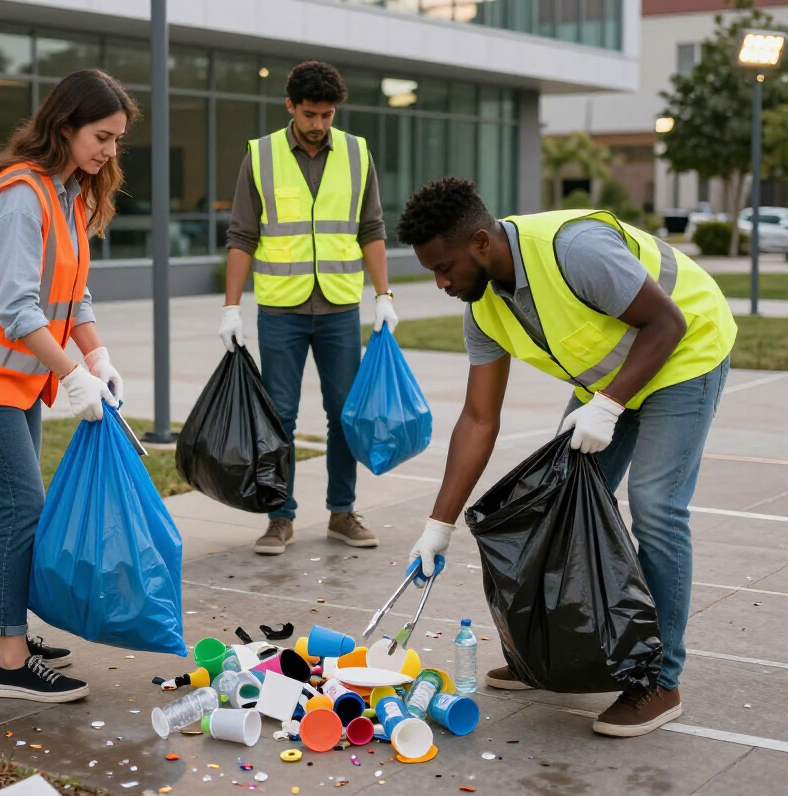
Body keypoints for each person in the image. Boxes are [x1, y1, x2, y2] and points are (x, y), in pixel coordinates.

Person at [397, 178, 735, 738]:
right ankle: (554, 656)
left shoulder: (573, 250)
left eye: (444, 267)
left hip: (684, 353)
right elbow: (479, 419)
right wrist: (438, 525)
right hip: (608, 378)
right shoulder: (482, 309)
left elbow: (668, 323)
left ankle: (658, 680)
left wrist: (607, 406)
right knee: (551, 504)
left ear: (481, 243)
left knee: (655, 507)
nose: (440, 283)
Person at [0, 69, 139, 703]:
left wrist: (97, 357)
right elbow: (18, 309)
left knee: (1, 506)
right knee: (22, 506)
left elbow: (72, 290)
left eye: (118, 139)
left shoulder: (64, 191)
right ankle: (10, 667)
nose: (109, 151)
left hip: (13, 376)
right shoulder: (20, 196)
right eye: (101, 135)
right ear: (64, 125)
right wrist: (71, 374)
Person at [221, 61, 398, 555]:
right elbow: (242, 235)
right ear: (290, 106)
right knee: (280, 417)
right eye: (311, 113)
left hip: (340, 306)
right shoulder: (261, 156)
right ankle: (280, 518)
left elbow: (372, 229)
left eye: (328, 114)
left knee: (345, 414)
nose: (320, 124)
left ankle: (342, 512)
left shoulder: (358, 153)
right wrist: (230, 308)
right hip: (281, 310)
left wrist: (384, 295)